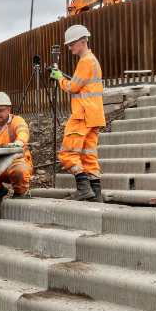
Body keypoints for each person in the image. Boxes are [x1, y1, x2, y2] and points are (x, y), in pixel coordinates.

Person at [51, 25, 105, 201]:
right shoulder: (93, 60)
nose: (69, 47)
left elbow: (72, 87)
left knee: (67, 153)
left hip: (83, 114)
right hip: (95, 115)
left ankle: (83, 189)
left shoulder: (85, 62)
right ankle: (96, 194)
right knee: (89, 155)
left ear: (83, 42)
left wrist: (59, 78)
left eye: (72, 43)